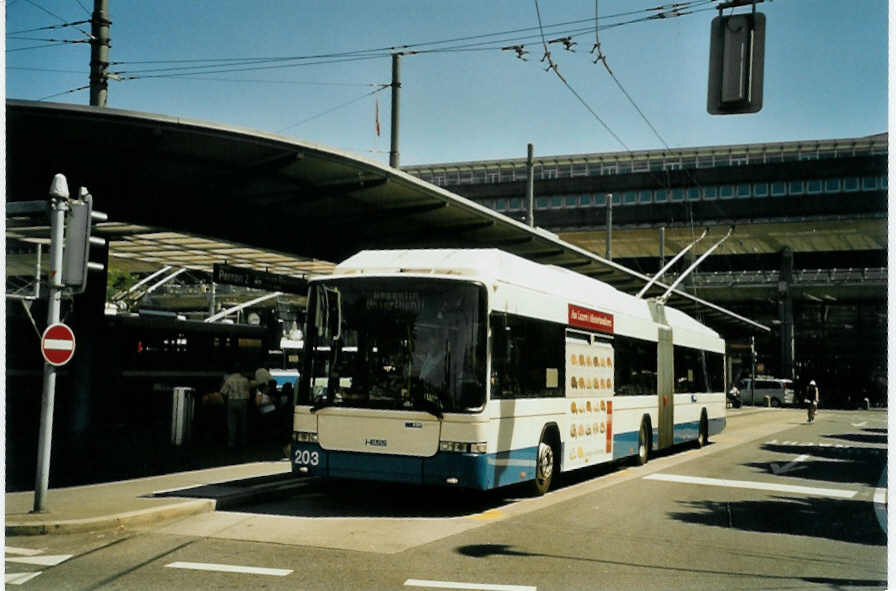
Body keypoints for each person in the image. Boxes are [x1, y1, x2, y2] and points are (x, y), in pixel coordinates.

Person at [221, 363, 250, 448]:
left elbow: (223, 392)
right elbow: (248, 393)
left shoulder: (229, 380)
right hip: (243, 402)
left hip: (232, 401)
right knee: (243, 423)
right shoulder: (245, 380)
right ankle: (243, 442)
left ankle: (231, 442)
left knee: (231, 423)